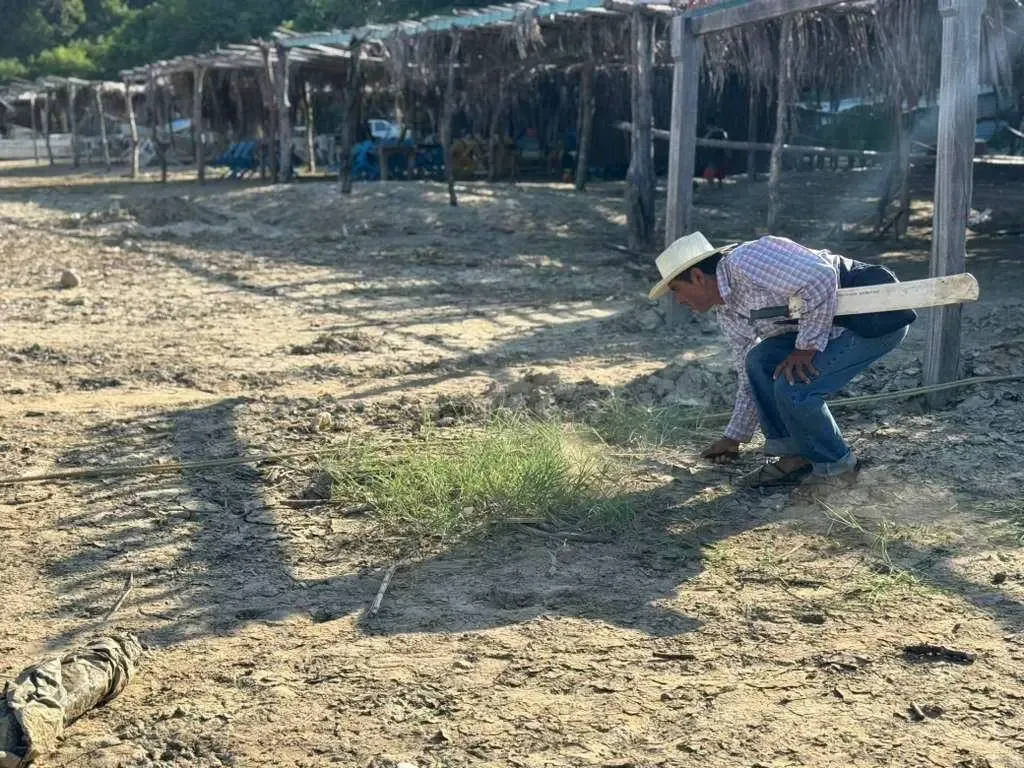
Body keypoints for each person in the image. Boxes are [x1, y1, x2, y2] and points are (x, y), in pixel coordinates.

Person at [648, 232, 912, 489]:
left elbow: (821, 277)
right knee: (758, 361)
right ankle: (795, 456)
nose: (678, 300)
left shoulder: (745, 261)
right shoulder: (727, 311)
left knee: (794, 388)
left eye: (677, 290)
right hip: (831, 328)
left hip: (874, 320)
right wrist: (734, 437)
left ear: (697, 277)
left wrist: (806, 348)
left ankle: (838, 469)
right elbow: (748, 376)